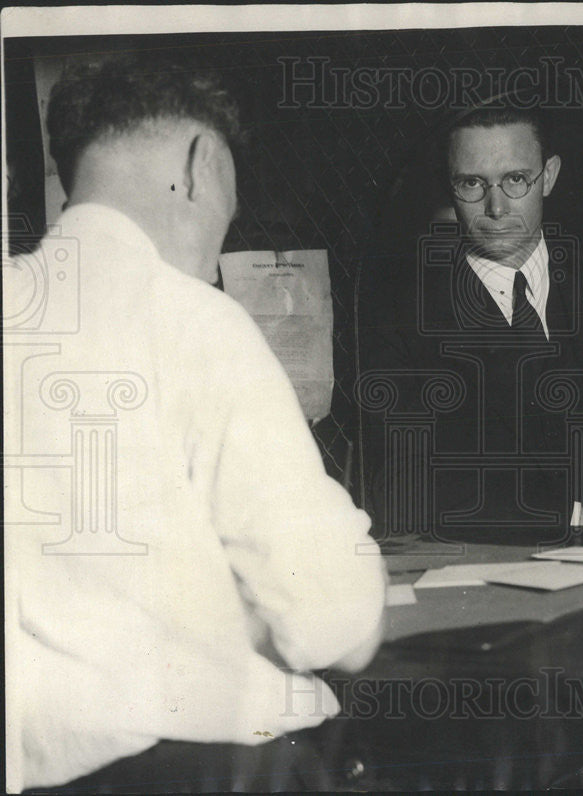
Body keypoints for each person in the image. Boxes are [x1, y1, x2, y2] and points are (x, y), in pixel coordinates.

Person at [3, 56, 386, 790]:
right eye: (227, 215)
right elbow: (335, 623)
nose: (215, 258)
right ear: (202, 167)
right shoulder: (196, 322)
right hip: (209, 769)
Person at [360, 106, 583, 540]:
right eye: (471, 183)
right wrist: (567, 517)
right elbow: (404, 484)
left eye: (516, 179)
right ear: (449, 185)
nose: (496, 208)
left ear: (548, 176)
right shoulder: (401, 316)